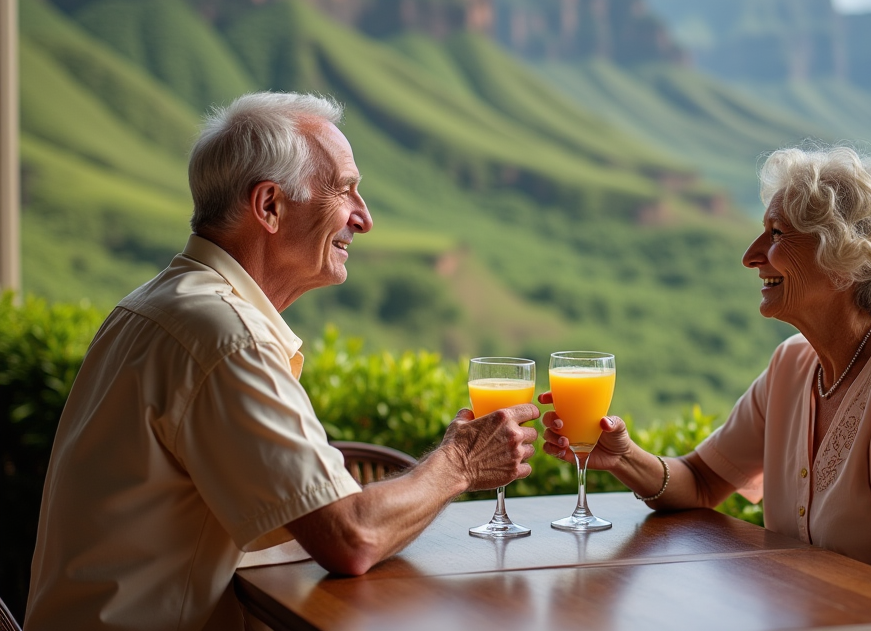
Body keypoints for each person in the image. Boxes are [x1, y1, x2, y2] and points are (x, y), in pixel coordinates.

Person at [24, 92, 540, 631]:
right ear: (269, 206)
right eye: (345, 190)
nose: (364, 219)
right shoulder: (225, 335)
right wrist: (458, 465)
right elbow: (352, 538)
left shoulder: (153, 304)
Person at [540, 145, 871, 628]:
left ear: (843, 256)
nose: (750, 256)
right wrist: (621, 454)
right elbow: (703, 482)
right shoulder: (794, 365)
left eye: (775, 234)